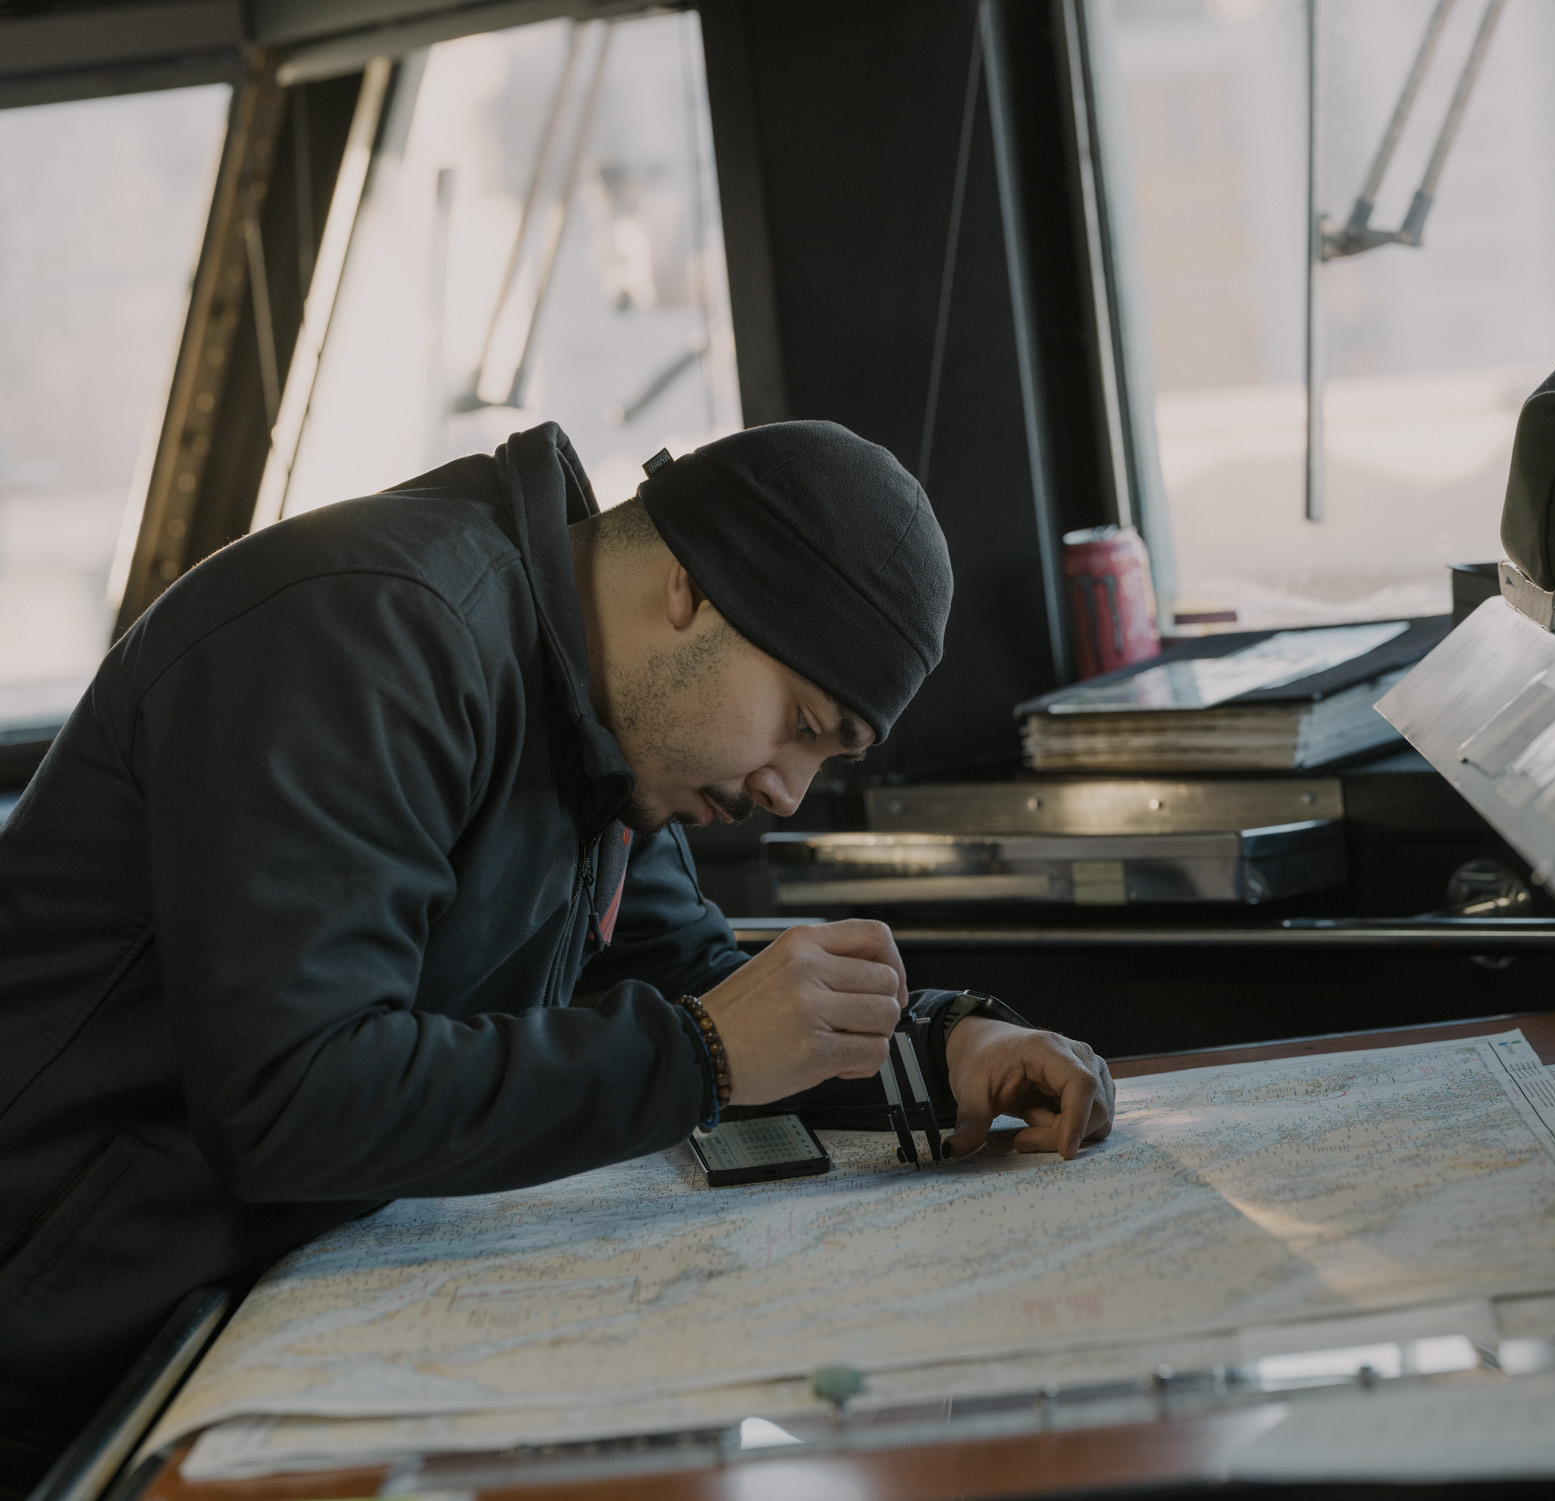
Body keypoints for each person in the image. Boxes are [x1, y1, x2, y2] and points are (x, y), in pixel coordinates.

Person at [0, 420, 1115, 1496]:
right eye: (802, 723)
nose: (786, 790)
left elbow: (698, 987)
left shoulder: (597, 722)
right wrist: (705, 1053)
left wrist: (945, 1049)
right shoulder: (369, 634)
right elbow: (292, 1096)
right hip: (58, 1366)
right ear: (690, 589)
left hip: (240, 1329)